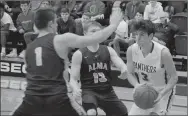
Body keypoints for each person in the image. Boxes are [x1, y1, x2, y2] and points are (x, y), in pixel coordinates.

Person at [11, 7, 123, 116]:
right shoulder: (60, 39)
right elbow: (94, 39)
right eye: (55, 22)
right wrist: (113, 24)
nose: (57, 24)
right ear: (50, 23)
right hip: (57, 98)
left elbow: (31, 79)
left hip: (31, 98)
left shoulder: (28, 49)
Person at [70, 21, 128, 116]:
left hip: (107, 91)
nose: (96, 33)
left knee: (123, 112)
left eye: (98, 31)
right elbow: (73, 79)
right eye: (93, 31)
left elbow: (121, 64)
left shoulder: (108, 50)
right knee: (91, 113)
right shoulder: (79, 54)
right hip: (89, 92)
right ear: (85, 34)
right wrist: (75, 88)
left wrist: (124, 69)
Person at [126, 20, 178, 115]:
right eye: (136, 34)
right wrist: (137, 85)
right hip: (145, 92)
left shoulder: (163, 52)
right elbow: (129, 73)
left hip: (163, 92)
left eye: (142, 35)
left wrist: (162, 93)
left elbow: (174, 77)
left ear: (150, 36)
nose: (138, 38)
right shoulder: (131, 50)